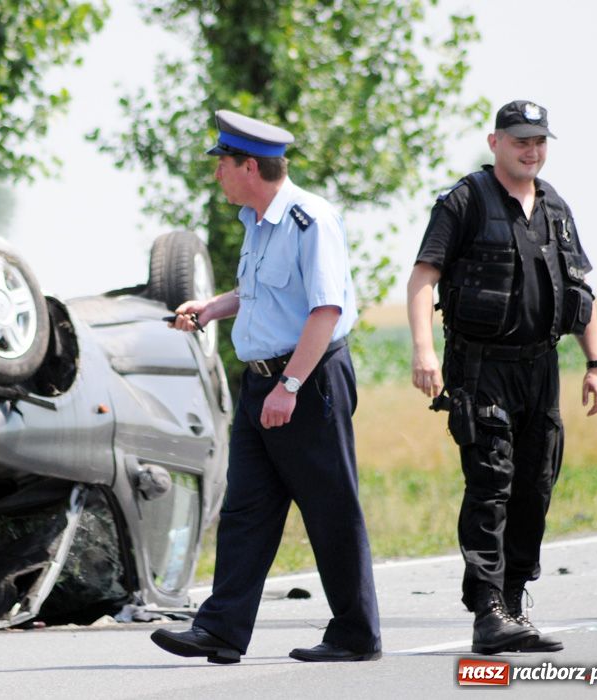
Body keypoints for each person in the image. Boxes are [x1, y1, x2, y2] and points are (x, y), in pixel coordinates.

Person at [150, 109, 382, 664]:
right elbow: (263, 295)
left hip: (307, 380)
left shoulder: (310, 220)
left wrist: (291, 385)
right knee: (245, 509)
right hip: (263, 384)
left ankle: (356, 635)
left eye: (222, 165)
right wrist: (213, 307)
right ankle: (222, 630)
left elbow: (325, 310)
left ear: (249, 166)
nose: (217, 176)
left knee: (329, 510)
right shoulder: (257, 221)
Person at [406, 100, 597, 655]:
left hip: (541, 370)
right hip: (481, 368)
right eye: (520, 140)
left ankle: (514, 603)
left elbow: (579, 293)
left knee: (534, 488)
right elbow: (424, 277)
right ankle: (488, 610)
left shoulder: (556, 208)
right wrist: (424, 351)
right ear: (495, 142)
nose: (531, 150)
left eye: (539, 141)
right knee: (492, 485)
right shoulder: (465, 201)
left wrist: (596, 365)